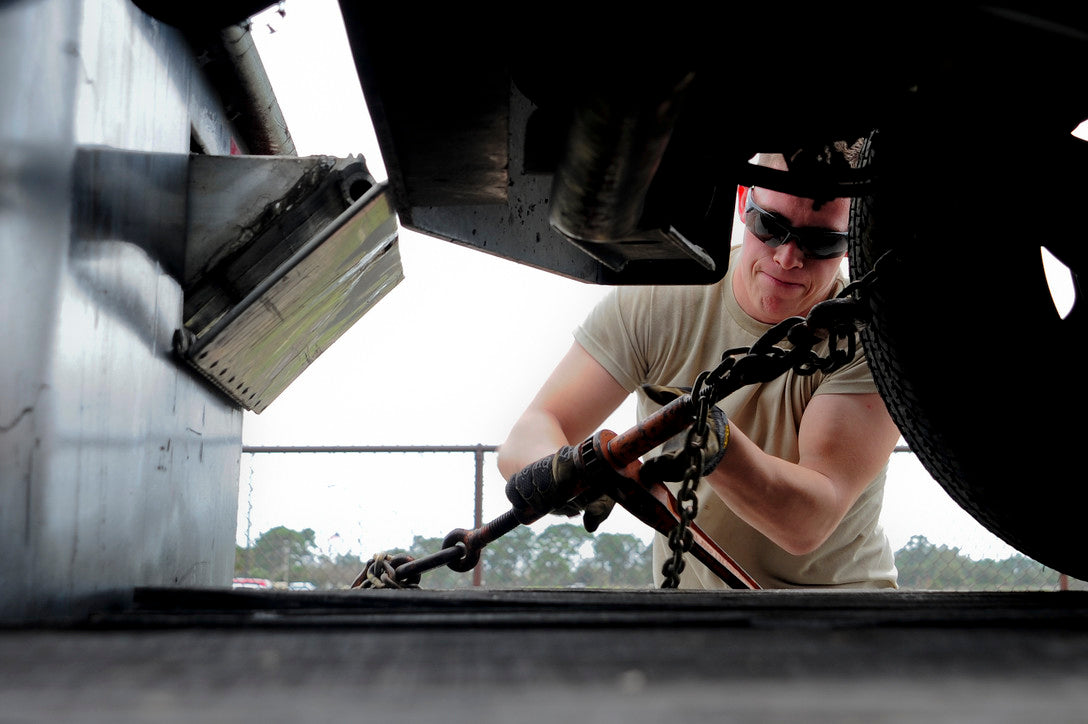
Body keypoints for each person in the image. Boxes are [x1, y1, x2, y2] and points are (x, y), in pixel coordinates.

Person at [496, 153, 902, 589]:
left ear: (852, 240)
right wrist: (570, 471)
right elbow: (530, 432)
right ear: (742, 200)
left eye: (820, 243)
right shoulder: (659, 302)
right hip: (696, 618)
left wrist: (718, 445)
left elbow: (807, 522)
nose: (787, 258)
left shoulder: (868, 340)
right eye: (769, 226)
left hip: (843, 617)